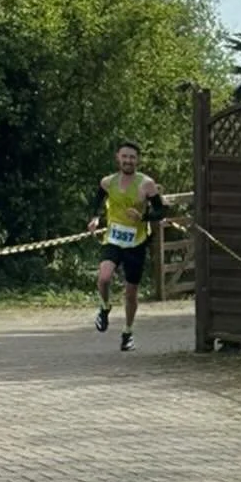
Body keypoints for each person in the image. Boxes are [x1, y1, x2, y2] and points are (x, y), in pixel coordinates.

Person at [87, 140, 165, 353]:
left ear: (137, 160)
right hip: (113, 239)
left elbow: (160, 212)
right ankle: (105, 307)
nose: (128, 161)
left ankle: (127, 333)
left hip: (136, 243)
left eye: (132, 157)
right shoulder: (107, 182)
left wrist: (143, 217)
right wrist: (95, 218)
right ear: (118, 158)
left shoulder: (146, 184)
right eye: (125, 156)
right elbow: (97, 202)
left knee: (131, 293)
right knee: (104, 278)